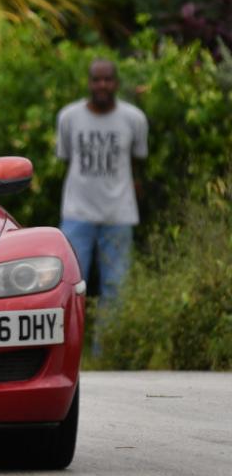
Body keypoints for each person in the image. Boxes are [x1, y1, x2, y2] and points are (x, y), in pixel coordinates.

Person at [56, 58, 148, 311]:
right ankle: (70, 345)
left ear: (116, 83)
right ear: (89, 83)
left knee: (117, 287)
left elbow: (137, 161)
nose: (102, 85)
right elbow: (66, 159)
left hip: (119, 214)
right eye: (97, 79)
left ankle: (108, 348)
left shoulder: (134, 119)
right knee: (70, 285)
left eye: (108, 79)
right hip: (77, 213)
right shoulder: (68, 117)